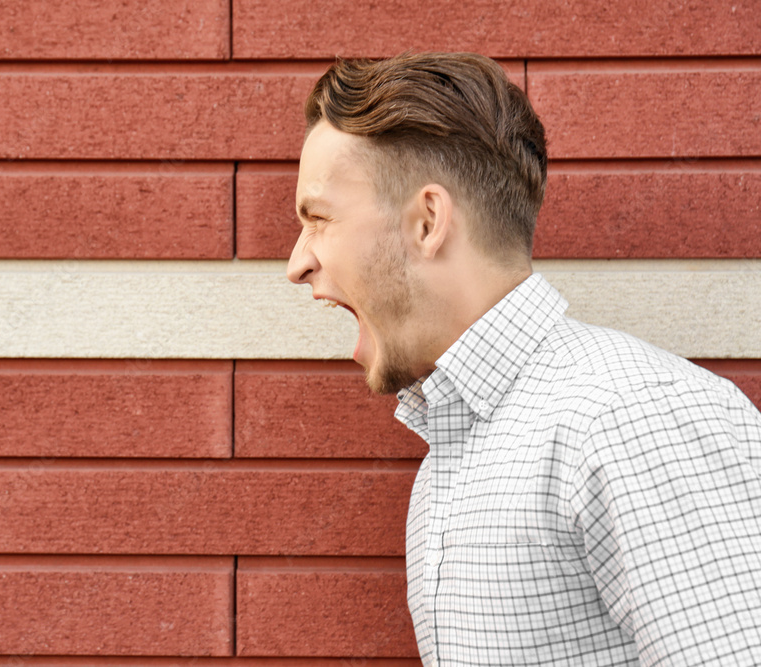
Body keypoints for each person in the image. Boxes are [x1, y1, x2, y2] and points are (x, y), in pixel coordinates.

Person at [287, 52, 761, 666]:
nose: (297, 264)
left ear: (427, 221)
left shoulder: (631, 419)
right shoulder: (455, 454)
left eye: (319, 219)